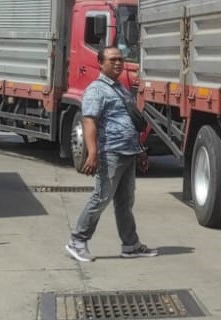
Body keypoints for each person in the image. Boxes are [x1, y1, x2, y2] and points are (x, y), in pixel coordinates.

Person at [64, 46, 156, 262]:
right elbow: (89, 121)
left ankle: (130, 245)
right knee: (101, 197)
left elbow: (130, 122)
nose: (118, 63)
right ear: (101, 63)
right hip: (110, 153)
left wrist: (140, 151)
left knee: (125, 201)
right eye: (112, 59)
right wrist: (93, 153)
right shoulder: (96, 90)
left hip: (128, 152)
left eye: (120, 59)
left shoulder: (120, 88)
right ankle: (77, 241)